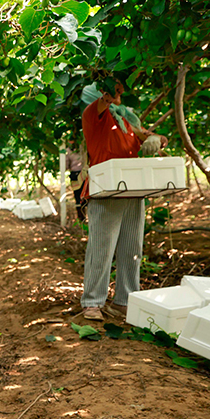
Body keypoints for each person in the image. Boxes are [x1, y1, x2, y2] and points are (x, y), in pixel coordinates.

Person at [80, 77, 167, 321]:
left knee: (132, 249)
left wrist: (156, 139)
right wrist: (109, 93)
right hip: (106, 190)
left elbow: (154, 136)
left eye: (120, 92)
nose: (118, 97)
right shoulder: (93, 116)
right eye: (112, 92)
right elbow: (102, 103)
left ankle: (124, 301)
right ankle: (93, 302)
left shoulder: (127, 123)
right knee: (101, 248)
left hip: (134, 190)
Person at [66, 147, 86, 222]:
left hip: (80, 174)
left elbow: (66, 165)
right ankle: (82, 218)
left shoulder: (82, 149)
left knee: (80, 196)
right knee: (80, 196)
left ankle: (82, 218)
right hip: (80, 175)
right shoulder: (82, 148)